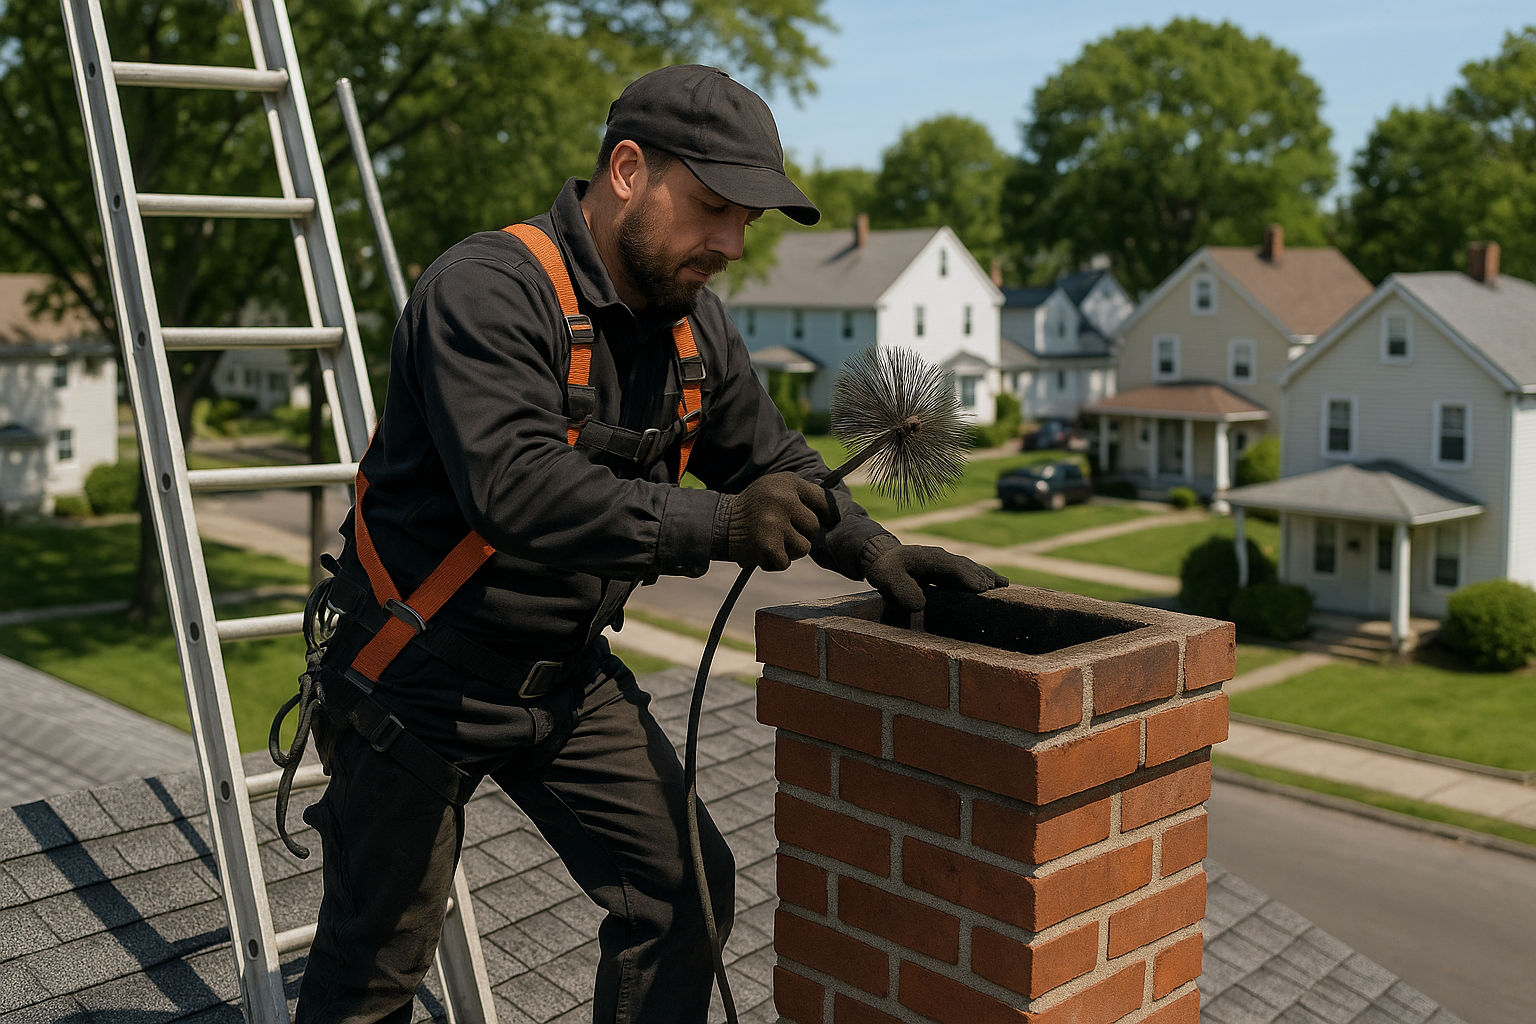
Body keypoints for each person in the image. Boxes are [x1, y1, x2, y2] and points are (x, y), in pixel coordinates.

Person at [296, 63, 1005, 1024]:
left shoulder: (693, 326)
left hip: (561, 676)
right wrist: (724, 524)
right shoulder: (488, 290)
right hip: (417, 674)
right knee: (374, 971)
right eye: (713, 208)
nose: (730, 245)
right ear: (628, 170)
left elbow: (771, 457)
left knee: (684, 900)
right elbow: (515, 487)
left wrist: (873, 549)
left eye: (746, 222)